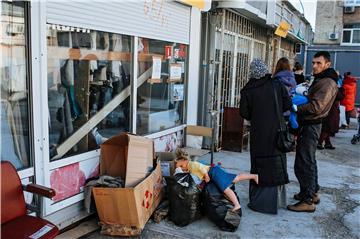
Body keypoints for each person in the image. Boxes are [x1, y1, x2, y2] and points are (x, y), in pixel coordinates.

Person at [287, 51, 338, 213]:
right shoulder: (322, 79)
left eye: (318, 63)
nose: (314, 66)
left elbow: (317, 107)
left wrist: (296, 107)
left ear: (327, 64)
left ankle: (307, 200)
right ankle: (311, 192)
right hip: (309, 124)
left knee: (304, 162)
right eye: (313, 63)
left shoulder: (327, 82)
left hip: (312, 125)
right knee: (308, 159)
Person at [240, 59, 292, 214]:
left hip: (258, 135)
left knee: (258, 165)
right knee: (276, 164)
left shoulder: (247, 90)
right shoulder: (277, 85)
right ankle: (278, 202)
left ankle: (259, 202)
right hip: (277, 133)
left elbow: (244, 113)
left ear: (252, 72)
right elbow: (288, 105)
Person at [174, 149, 258, 213]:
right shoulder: (189, 167)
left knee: (225, 189)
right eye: (180, 168)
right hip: (214, 171)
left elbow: (201, 168)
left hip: (213, 173)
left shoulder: (191, 164)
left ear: (185, 160)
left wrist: (206, 176)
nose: (182, 168)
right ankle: (254, 176)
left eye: (181, 165)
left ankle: (237, 205)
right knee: (236, 178)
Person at [317, 73, 345, 150]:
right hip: (331, 109)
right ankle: (320, 142)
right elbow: (340, 96)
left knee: (328, 126)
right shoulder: (332, 85)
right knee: (328, 126)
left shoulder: (326, 83)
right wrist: (342, 89)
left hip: (328, 108)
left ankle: (327, 143)